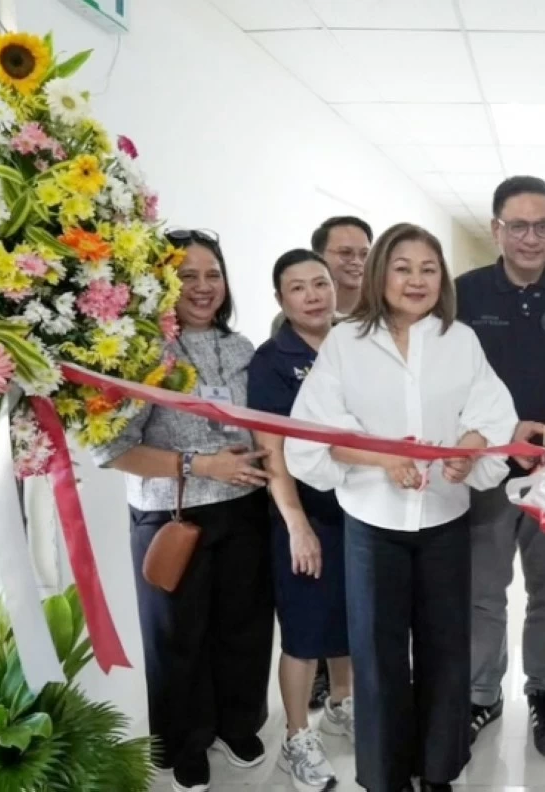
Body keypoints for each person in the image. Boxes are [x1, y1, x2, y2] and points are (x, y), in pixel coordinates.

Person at [285, 223, 518, 792]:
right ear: (378, 273)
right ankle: (386, 775)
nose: (416, 280)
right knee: (378, 655)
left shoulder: (459, 339)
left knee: (445, 650)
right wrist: (382, 460)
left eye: (429, 269)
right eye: (403, 267)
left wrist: (469, 450)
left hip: (443, 520)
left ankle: (439, 770)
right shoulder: (346, 343)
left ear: (443, 279)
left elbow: (491, 415)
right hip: (374, 525)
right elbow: (314, 434)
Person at [91, 229, 274, 792]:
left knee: (243, 630)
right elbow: (114, 450)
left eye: (212, 274)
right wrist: (201, 465)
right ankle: (186, 743)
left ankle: (238, 724)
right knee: (177, 638)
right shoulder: (140, 353)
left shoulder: (243, 348)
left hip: (244, 510)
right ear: (163, 283)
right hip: (172, 518)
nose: (202, 287)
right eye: (187, 275)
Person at [455, 176, 545, 757]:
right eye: (518, 225)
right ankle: (481, 694)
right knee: (483, 591)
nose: (531, 237)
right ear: (496, 229)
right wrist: (496, 441)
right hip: (489, 471)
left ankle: (544, 694)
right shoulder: (464, 293)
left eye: (543, 225)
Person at [247, 250, 347, 791]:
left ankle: (342, 705)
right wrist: (297, 525)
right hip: (305, 514)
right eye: (298, 288)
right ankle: (296, 737)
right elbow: (272, 452)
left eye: (320, 283)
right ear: (281, 300)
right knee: (305, 631)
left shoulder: (354, 344)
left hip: (355, 508)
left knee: (348, 621)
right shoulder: (271, 361)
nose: (313, 296)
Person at [305, 215, 370, 716]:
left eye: (362, 251)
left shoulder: (380, 317)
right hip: (318, 481)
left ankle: (361, 675)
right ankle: (327, 677)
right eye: (343, 252)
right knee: (323, 585)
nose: (354, 261)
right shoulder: (296, 326)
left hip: (372, 476)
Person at [312, 215, 373, 320]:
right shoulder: (297, 318)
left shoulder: (387, 316)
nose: (357, 262)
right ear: (319, 257)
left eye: (365, 254)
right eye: (345, 252)